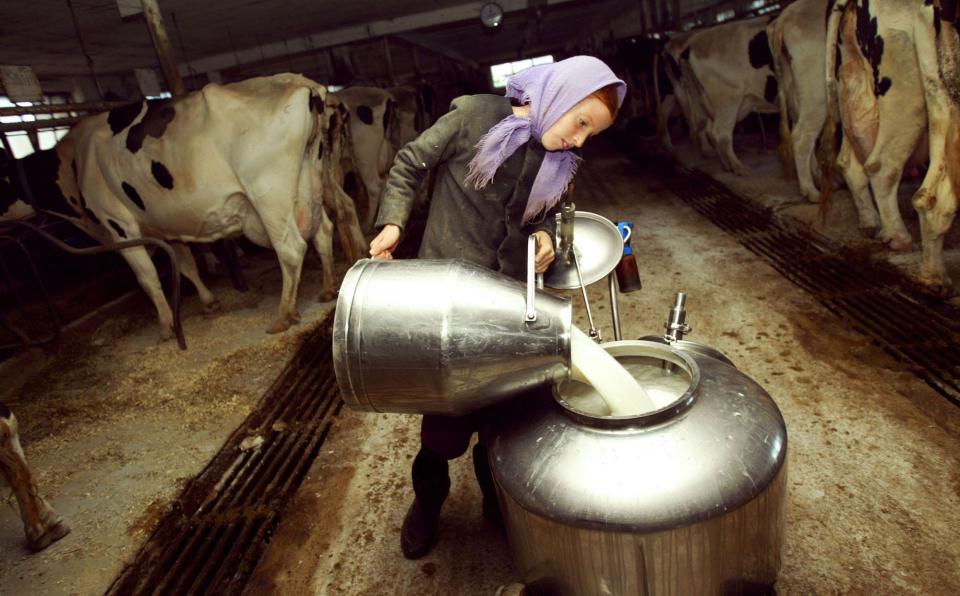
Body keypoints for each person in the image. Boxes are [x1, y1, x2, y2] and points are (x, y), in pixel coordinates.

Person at [368, 55, 626, 559]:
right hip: (447, 304)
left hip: (510, 303)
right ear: (560, 94)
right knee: (442, 430)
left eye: (591, 134)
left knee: (502, 424)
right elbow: (408, 165)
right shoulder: (472, 116)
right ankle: (427, 506)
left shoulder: (560, 161)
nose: (579, 140)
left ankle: (497, 505)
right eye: (580, 123)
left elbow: (556, 215)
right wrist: (394, 223)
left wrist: (548, 237)